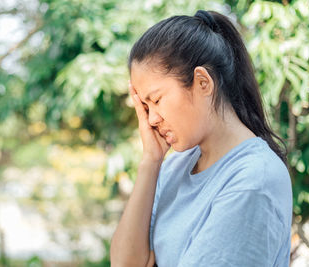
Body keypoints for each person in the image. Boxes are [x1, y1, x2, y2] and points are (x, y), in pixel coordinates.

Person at [110, 10, 293, 267]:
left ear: (203, 82)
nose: (151, 120)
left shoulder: (254, 179)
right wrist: (150, 161)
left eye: (157, 100)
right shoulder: (176, 166)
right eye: (146, 107)